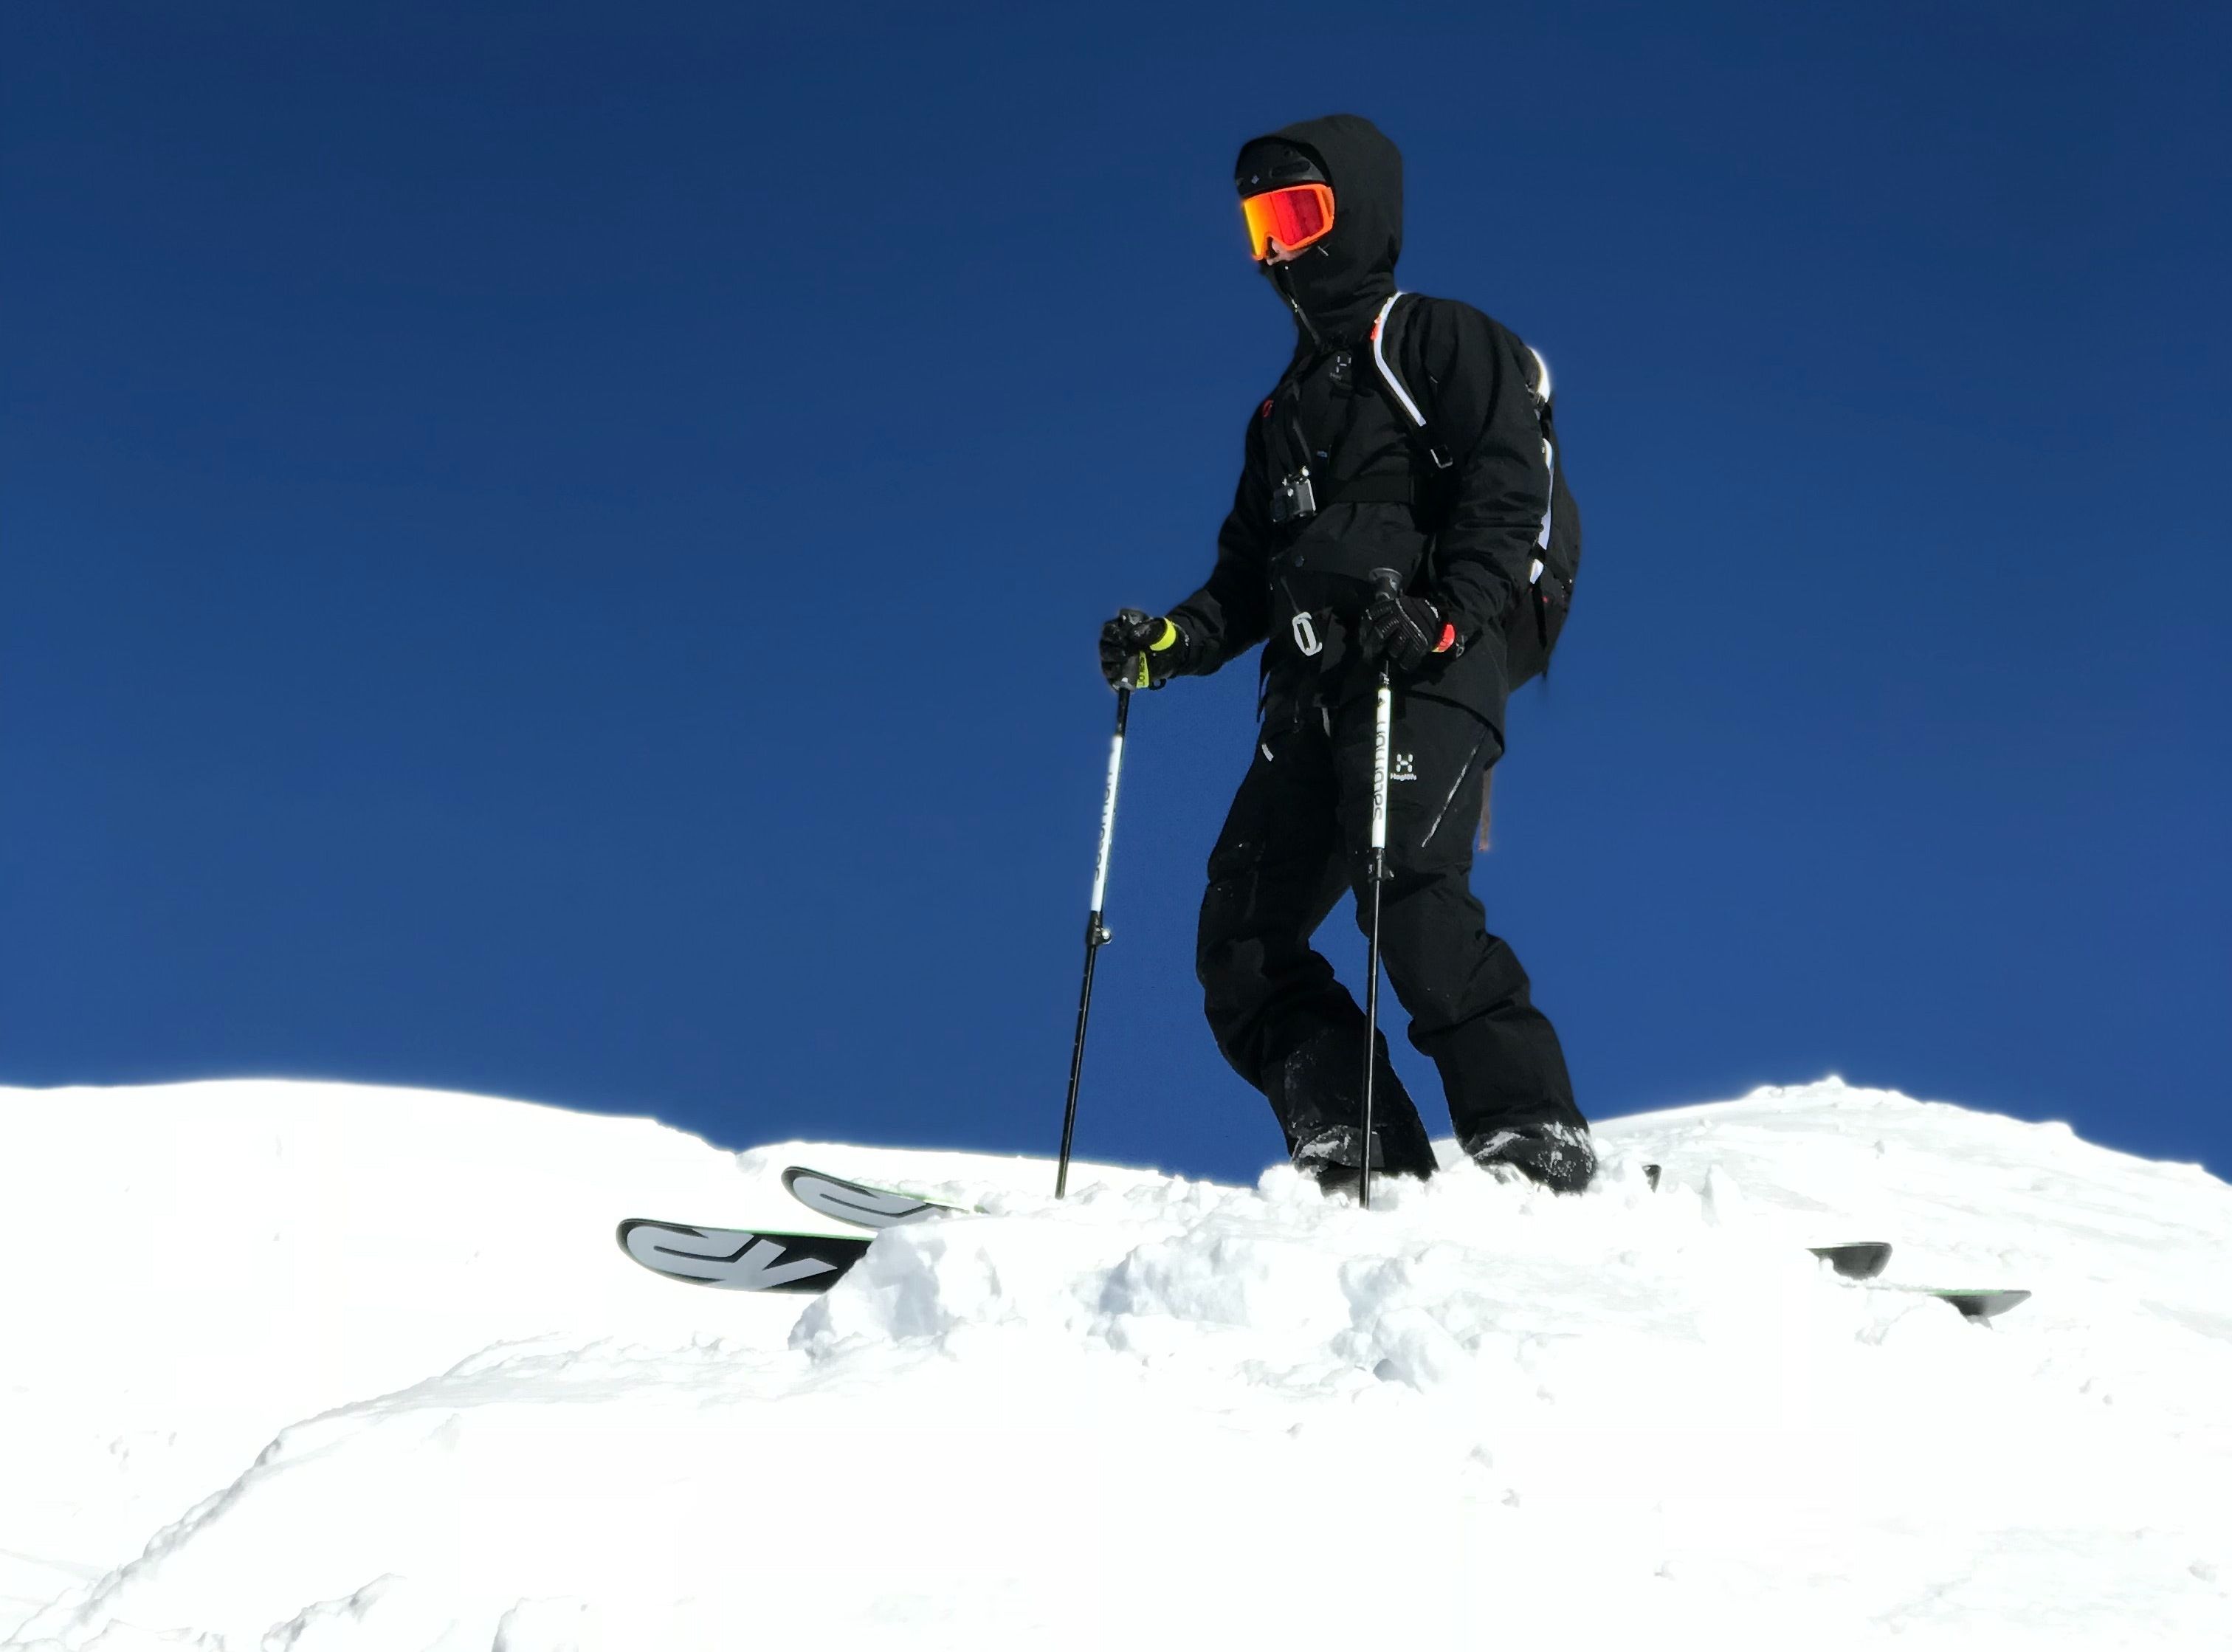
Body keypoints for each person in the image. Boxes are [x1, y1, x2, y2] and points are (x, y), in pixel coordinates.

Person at [1098, 114, 1594, 1197]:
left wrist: (1448, 613)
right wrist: (1170, 643)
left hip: (1420, 664)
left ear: (1357, 214)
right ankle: (1360, 1148)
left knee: (1408, 894)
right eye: (1258, 223)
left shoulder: (1437, 340)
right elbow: (1243, 581)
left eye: (1299, 214)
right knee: (1241, 939)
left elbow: (1506, 489)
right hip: (1311, 696)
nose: (1277, 247)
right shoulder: (1278, 415)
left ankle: (1534, 1136)